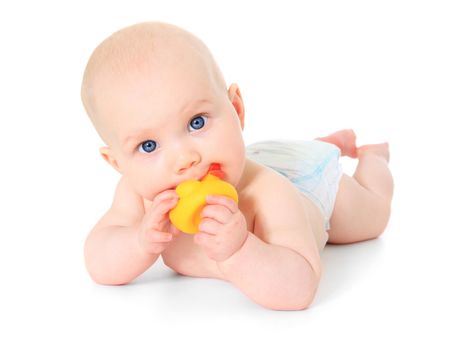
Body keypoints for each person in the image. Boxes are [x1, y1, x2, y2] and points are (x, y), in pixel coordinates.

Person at [80, 21, 394, 310]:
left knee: (373, 216)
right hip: (262, 155)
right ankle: (326, 143)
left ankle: (372, 157)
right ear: (117, 163)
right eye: (148, 146)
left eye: (197, 122)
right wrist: (138, 242)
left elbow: (300, 288)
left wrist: (241, 251)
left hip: (310, 186)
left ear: (236, 110)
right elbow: (98, 262)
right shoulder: (140, 196)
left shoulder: (269, 194)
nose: (185, 159)